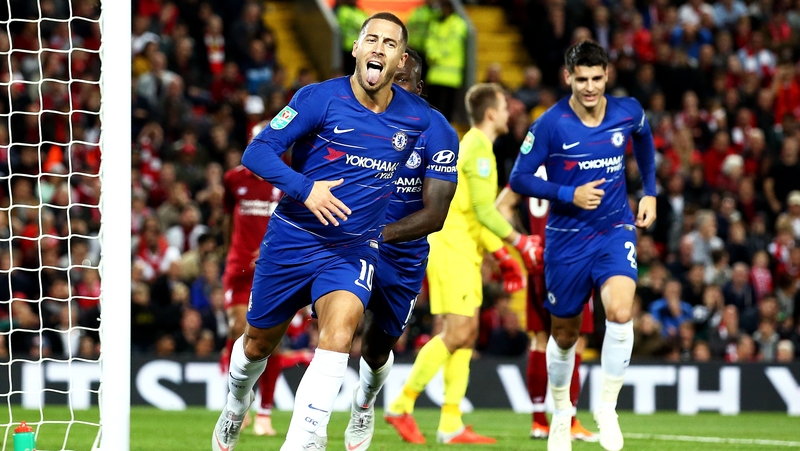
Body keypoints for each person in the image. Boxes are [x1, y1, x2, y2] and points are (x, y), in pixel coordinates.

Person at [211, 13, 433, 451]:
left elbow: (441, 171)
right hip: (294, 238)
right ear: (355, 48)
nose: (378, 48)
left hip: (353, 249)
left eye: (390, 44)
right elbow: (257, 151)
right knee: (256, 345)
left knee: (340, 333)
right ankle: (237, 402)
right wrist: (305, 188)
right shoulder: (318, 99)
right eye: (371, 39)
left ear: (400, 60)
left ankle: (306, 438)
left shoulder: (421, 118)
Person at [509, 40, 657, 451]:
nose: (590, 87)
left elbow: (644, 139)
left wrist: (650, 191)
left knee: (621, 311)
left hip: (614, 229)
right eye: (582, 79)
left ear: (607, 75)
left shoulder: (627, 110)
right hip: (566, 239)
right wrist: (566, 193)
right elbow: (520, 178)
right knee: (564, 336)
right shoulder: (549, 125)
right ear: (567, 77)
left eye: (597, 78)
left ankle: (606, 409)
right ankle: (562, 414)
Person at [310, 47, 460, 451]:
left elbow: (436, 215)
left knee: (376, 350)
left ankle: (366, 402)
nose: (392, 88)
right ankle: (309, 433)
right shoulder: (358, 117)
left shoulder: (438, 131)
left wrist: (379, 232)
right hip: (353, 246)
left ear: (418, 86)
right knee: (338, 329)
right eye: (388, 78)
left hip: (403, 255)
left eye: (403, 80)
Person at [386, 82, 543, 445]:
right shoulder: (480, 151)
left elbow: (474, 213)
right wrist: (517, 245)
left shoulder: (473, 145)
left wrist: (501, 254)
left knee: (467, 334)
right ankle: (401, 404)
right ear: (491, 113)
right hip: (453, 248)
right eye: (505, 106)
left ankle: (451, 422)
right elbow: (485, 212)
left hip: (461, 247)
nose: (509, 112)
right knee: (456, 332)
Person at [219, 120, 302, 437]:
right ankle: (238, 399)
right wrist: (232, 252)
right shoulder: (233, 180)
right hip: (239, 269)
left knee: (272, 340)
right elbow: (228, 218)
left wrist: (273, 251)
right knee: (238, 329)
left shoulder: (288, 177)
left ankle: (265, 411)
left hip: (275, 268)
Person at [495, 186, 597, 441]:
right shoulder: (573, 159)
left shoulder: (528, 168)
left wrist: (524, 241)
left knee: (540, 339)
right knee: (576, 340)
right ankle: (569, 421)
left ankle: (539, 421)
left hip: (539, 261)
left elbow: (500, 207)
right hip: (572, 259)